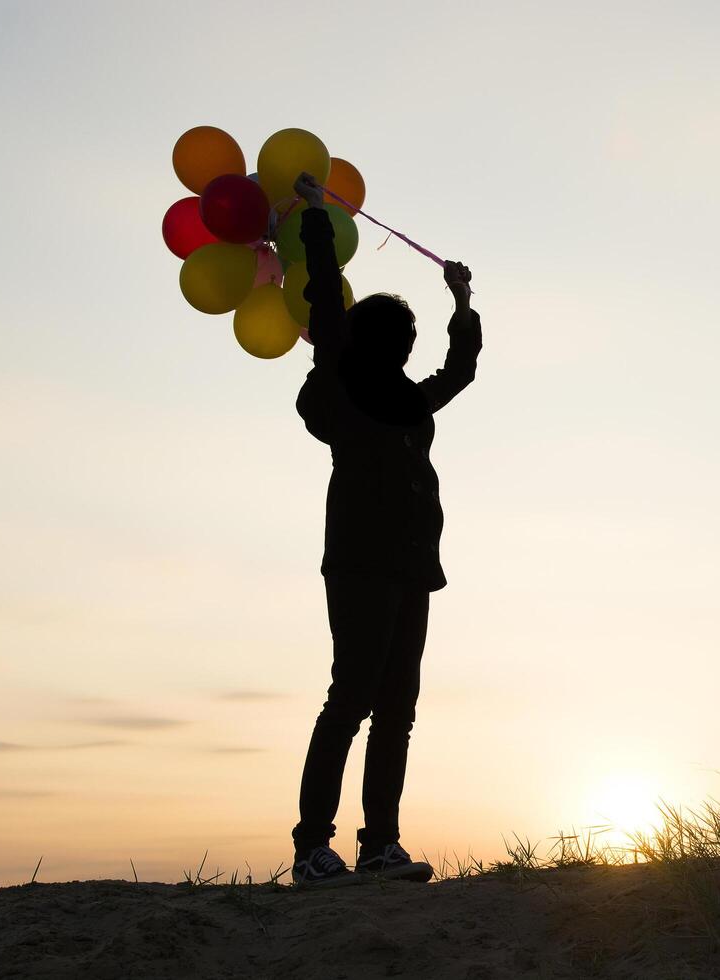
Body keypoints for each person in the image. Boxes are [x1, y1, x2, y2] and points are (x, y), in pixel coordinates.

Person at [287, 171, 482, 887]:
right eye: (402, 335)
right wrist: (313, 214)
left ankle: (380, 846)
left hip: (411, 567)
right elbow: (322, 295)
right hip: (361, 564)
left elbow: (459, 369)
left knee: (396, 709)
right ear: (382, 342)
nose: (408, 344)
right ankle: (313, 847)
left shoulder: (410, 400)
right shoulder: (341, 382)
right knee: (352, 700)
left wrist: (462, 302)